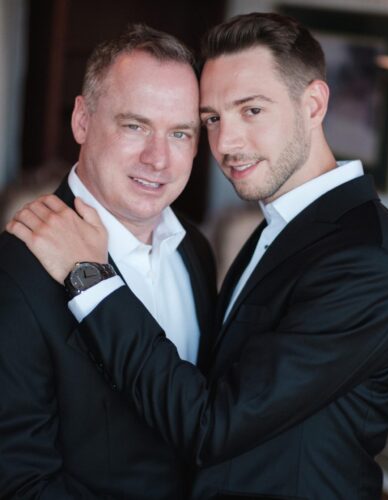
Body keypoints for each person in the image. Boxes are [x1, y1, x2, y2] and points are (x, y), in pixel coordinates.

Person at [9, 12, 388, 500]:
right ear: (82, 120)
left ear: (313, 104)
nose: (225, 144)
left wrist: (92, 279)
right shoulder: (260, 234)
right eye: (211, 119)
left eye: (251, 110)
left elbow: (212, 423)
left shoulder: (366, 262)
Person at [0, 24, 216, 499]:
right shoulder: (16, 273)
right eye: (134, 125)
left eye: (179, 133)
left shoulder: (195, 250)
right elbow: (20, 484)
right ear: (82, 120)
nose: (158, 158)